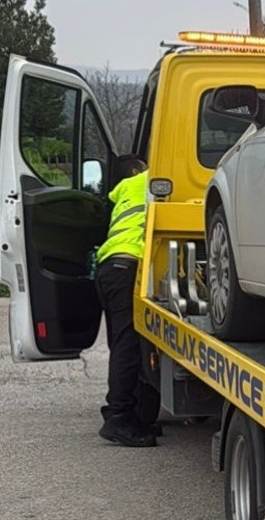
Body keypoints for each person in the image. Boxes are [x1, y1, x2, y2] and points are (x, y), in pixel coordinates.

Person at [94, 154, 157, 447]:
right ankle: (118, 418)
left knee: (124, 345)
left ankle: (132, 416)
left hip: (110, 268)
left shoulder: (123, 193)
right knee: (128, 347)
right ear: (135, 170)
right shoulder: (147, 180)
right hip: (128, 268)